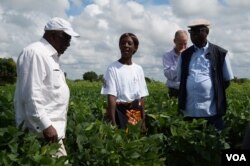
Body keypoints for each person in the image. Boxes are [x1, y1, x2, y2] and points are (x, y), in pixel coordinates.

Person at [14, 17, 79, 157]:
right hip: (40, 133)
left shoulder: (51, 57)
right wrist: (46, 127)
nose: (69, 43)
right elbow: (31, 95)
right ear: (53, 34)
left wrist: (60, 131)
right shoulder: (35, 53)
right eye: (66, 37)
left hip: (51, 132)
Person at [177, 19, 234, 130]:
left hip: (212, 111)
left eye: (198, 31)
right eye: (192, 33)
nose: (194, 35)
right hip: (190, 111)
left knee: (214, 143)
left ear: (206, 32)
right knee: (191, 144)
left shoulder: (220, 53)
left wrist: (211, 91)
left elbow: (226, 81)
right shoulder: (184, 55)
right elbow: (181, 79)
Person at [101, 33, 149, 131]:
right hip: (119, 111)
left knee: (134, 139)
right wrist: (113, 122)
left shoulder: (138, 69)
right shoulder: (112, 68)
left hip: (135, 111)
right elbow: (111, 97)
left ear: (135, 47)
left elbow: (141, 98)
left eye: (129, 43)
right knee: (120, 140)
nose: (126, 45)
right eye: (123, 43)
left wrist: (143, 120)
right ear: (119, 46)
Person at [162, 30, 188, 97]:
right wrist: (181, 58)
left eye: (185, 44)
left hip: (188, 90)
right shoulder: (167, 55)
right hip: (173, 91)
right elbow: (169, 75)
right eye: (180, 44)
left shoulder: (191, 54)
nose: (183, 47)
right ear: (174, 41)